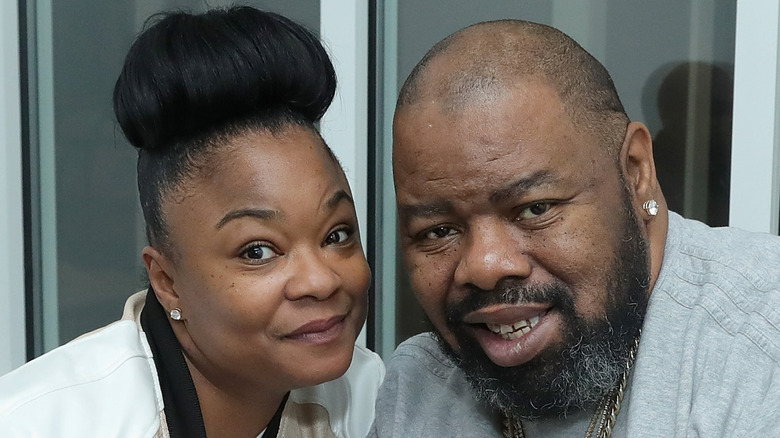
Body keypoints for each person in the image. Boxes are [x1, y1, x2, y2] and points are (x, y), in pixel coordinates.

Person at [370, 19, 780, 437]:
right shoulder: (423, 386)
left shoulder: (759, 351)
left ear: (636, 173)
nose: (484, 266)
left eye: (534, 208)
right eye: (437, 231)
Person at [0, 6, 383, 437]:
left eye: (337, 235)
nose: (321, 281)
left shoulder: (371, 397)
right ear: (167, 282)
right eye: (258, 250)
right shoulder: (39, 422)